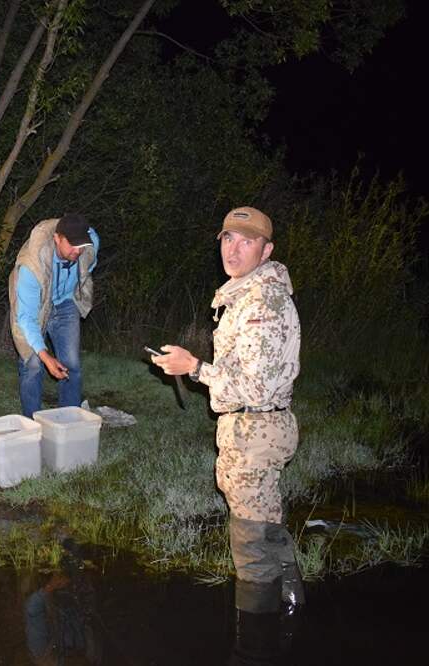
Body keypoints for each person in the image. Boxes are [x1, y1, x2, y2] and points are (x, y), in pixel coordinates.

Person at [151, 206, 304, 617]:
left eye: (247, 241)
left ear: (266, 250)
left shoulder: (262, 303)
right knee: (266, 523)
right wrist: (191, 366)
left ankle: (255, 646)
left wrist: (195, 368)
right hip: (250, 428)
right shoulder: (244, 294)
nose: (233, 250)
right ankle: (291, 613)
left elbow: (256, 386)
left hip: (257, 430)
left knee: (252, 549)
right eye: (228, 239)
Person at [9, 214, 100, 418]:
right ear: (57, 238)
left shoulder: (90, 246)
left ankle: (69, 421)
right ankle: (31, 422)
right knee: (32, 364)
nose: (77, 251)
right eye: (72, 245)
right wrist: (45, 356)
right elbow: (26, 319)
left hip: (66, 303)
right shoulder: (30, 267)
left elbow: (88, 266)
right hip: (37, 306)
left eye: (81, 245)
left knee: (72, 364)